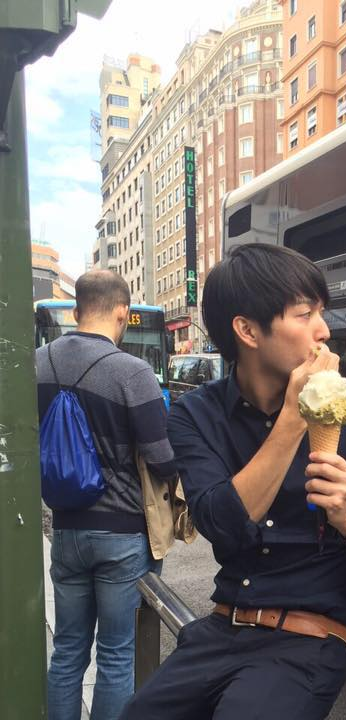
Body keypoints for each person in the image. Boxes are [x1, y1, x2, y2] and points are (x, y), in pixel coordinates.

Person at [121, 244, 346, 720]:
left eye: (322, 312)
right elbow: (221, 524)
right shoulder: (195, 415)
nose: (324, 330)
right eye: (305, 314)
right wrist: (294, 417)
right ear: (248, 330)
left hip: (311, 636)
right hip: (224, 626)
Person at [36, 270, 176, 720]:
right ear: (122, 312)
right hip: (122, 533)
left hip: (66, 529)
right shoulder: (132, 372)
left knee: (67, 650)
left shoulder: (36, 363)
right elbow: (161, 457)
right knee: (117, 655)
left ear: (77, 310)